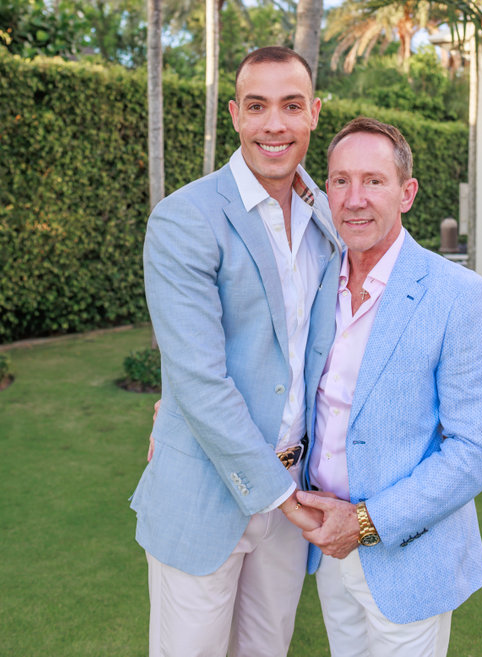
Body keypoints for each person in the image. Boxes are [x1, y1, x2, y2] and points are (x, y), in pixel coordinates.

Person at [130, 46, 341, 657]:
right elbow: (198, 379)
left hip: (295, 489)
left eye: (291, 105)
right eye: (257, 106)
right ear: (235, 115)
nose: (274, 124)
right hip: (207, 487)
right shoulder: (185, 220)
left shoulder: (326, 215)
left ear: (313, 115)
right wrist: (278, 494)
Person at [295, 117, 482, 657]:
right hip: (329, 552)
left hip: (407, 556)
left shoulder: (460, 296)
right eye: (340, 181)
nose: (355, 199)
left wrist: (365, 524)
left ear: (407, 193)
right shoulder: (319, 283)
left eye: (374, 180)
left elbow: (476, 450)